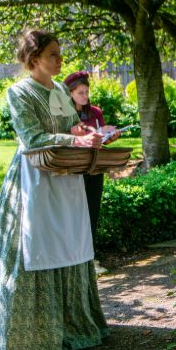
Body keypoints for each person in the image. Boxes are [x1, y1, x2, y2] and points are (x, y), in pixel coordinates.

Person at [0, 29, 109, 350]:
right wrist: (77, 141)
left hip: (66, 176)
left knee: (70, 242)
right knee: (38, 245)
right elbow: (33, 137)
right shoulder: (19, 92)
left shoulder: (60, 91)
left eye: (59, 53)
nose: (60, 59)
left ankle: (72, 326)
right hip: (35, 177)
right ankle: (34, 336)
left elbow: (71, 126)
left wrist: (87, 133)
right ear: (34, 58)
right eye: (54, 54)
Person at [64, 70, 115, 275]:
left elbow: (100, 138)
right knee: (74, 214)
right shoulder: (65, 115)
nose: (85, 96)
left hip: (94, 167)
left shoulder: (95, 112)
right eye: (80, 93)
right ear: (70, 94)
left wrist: (109, 136)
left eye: (86, 92)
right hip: (74, 169)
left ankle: (91, 260)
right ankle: (73, 261)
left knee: (92, 212)